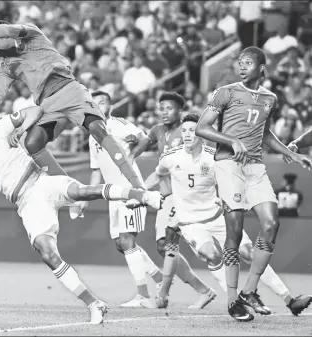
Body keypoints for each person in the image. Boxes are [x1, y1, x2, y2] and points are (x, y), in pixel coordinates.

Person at [0, 107, 164, 324]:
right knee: (47, 253)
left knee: (84, 191)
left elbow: (35, 111)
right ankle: (94, 304)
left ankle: (144, 196)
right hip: (26, 203)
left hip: (41, 181)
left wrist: (21, 130)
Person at [0, 22, 146, 205]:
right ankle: (72, 196)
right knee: (32, 143)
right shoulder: (7, 66)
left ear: (6, 36)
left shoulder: (32, 35)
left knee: (98, 131)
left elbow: (8, 29)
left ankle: (138, 186)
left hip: (71, 90)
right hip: (47, 105)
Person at [142, 114, 312, 316]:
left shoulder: (214, 158)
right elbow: (158, 174)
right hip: (190, 223)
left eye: (192, 130)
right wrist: (140, 193)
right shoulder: (170, 157)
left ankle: (289, 299)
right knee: (212, 254)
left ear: (202, 133)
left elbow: (227, 182)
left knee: (249, 253)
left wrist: (223, 197)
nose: (187, 135)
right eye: (184, 131)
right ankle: (236, 303)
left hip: (217, 218)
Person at [195, 46, 312, 321]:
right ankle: (232, 299)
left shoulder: (269, 98)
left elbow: (265, 132)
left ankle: (249, 291)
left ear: (261, 67)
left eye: (248, 63)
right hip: (228, 165)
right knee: (234, 236)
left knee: (271, 224)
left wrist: (291, 152)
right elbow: (202, 127)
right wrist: (232, 140)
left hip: (255, 167)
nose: (242, 66)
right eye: (240, 62)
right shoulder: (225, 92)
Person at [132, 92, 217, 310]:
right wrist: (140, 190)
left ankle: (163, 296)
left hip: (184, 200)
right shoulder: (158, 131)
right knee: (164, 247)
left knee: (167, 244)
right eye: (161, 108)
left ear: (180, 110)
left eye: (169, 108)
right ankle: (201, 291)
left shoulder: (190, 131)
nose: (164, 112)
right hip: (165, 199)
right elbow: (147, 160)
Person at [86, 90, 163, 307]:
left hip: (131, 189)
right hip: (113, 194)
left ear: (110, 106)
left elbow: (144, 139)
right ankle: (160, 279)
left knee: (127, 240)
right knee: (121, 244)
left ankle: (143, 295)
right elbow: (95, 169)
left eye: (101, 102)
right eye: (93, 103)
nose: (97, 106)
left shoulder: (119, 124)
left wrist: (128, 156)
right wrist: (84, 200)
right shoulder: (92, 133)